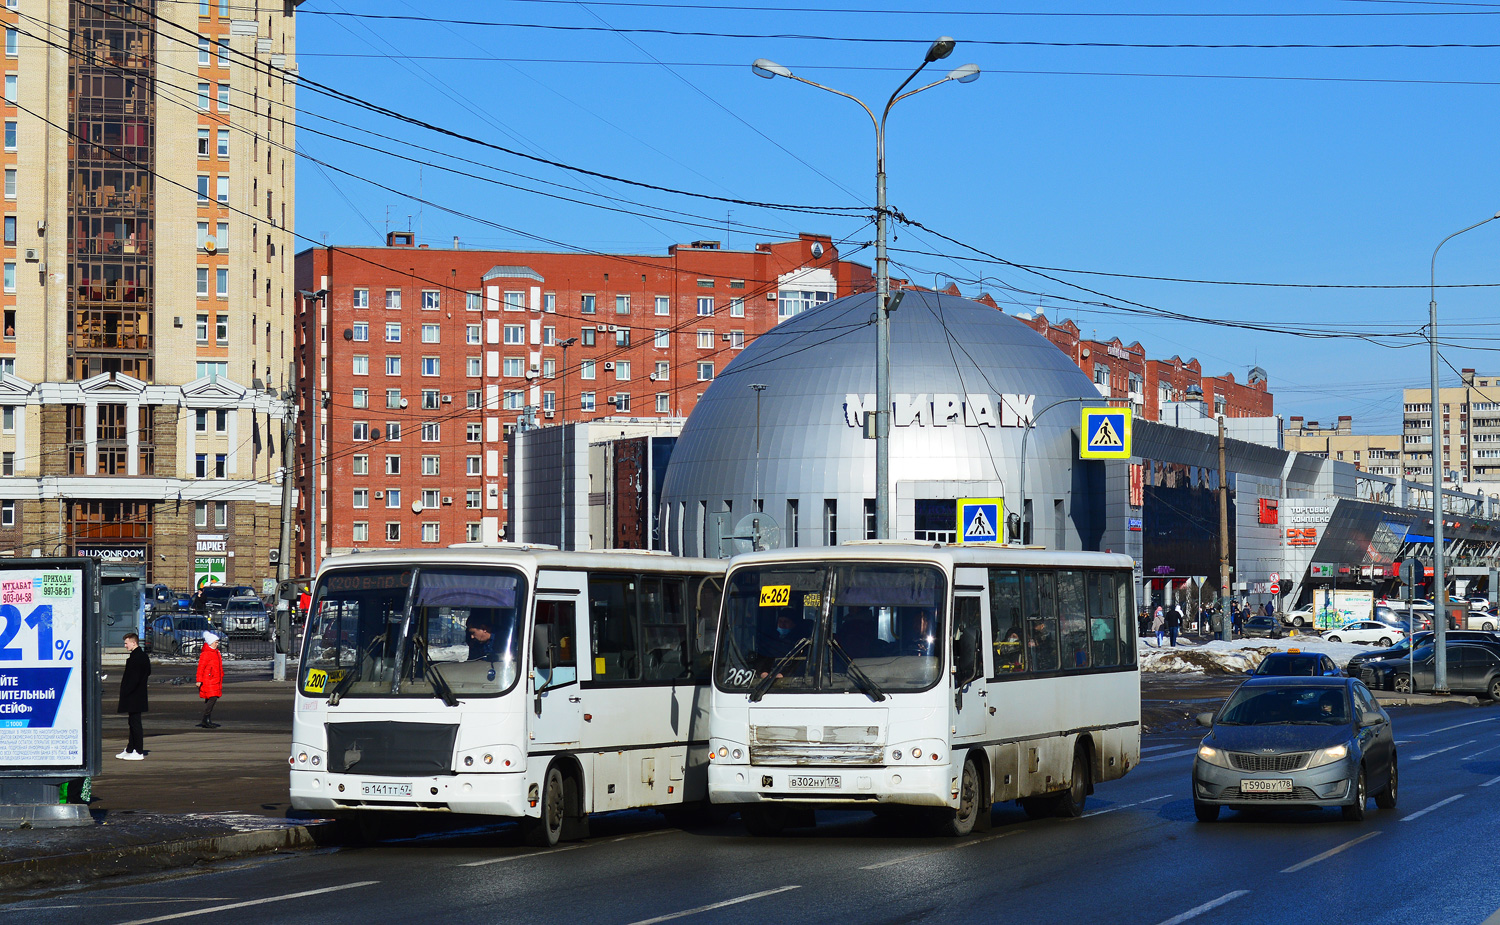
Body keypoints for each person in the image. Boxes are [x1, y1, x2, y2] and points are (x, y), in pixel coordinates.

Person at [116, 631, 149, 759]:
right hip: (136, 694)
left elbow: (134, 678)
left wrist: (127, 691)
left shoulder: (138, 657)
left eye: (126, 643)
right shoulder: (139, 656)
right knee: (132, 722)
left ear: (133, 642)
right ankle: (130, 748)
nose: (125, 646)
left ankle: (138, 751)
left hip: (135, 695)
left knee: (135, 723)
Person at [196, 631, 224, 728]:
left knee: (212, 698)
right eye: (215, 642)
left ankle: (207, 718)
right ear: (210, 642)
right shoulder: (206, 654)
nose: (217, 644)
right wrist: (199, 680)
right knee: (213, 697)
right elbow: (200, 668)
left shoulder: (216, 652)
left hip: (215, 679)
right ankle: (205, 718)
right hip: (209, 680)